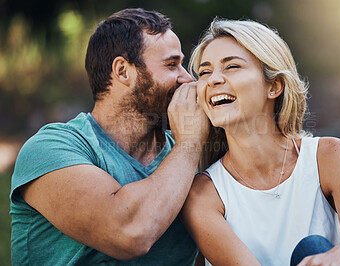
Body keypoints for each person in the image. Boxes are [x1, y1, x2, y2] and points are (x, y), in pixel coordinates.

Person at [10, 8, 209, 265]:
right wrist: (191, 142)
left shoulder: (188, 159)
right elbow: (129, 232)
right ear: (123, 71)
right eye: (172, 65)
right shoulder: (49, 149)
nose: (187, 78)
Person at [181, 18, 340, 265]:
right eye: (204, 72)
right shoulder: (203, 194)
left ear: (274, 86)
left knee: (313, 247)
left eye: (232, 67)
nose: (213, 80)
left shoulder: (333, 157)